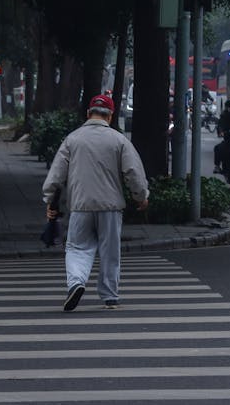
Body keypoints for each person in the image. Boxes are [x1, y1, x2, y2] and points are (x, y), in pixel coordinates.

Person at [42, 94, 149, 312]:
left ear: (88, 113)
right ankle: (110, 296)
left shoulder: (72, 139)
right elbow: (133, 172)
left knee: (77, 248)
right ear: (110, 116)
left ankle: (77, 282)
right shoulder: (119, 140)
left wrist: (49, 198)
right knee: (110, 252)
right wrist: (141, 196)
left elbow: (56, 174)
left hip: (80, 205)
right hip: (111, 207)